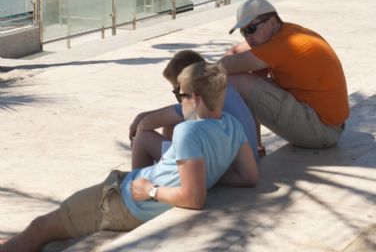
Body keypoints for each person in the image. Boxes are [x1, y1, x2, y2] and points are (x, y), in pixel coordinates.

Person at [1, 62, 257, 251]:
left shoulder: (188, 130)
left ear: (196, 99)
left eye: (180, 95)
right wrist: (207, 176)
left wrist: (150, 190)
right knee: (54, 233)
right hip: (130, 195)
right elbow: (249, 176)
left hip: (123, 201)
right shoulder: (232, 125)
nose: (179, 101)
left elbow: (194, 198)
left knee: (41, 227)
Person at [220, 0, 349, 149]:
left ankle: (244, 152)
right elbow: (235, 51)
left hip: (322, 130)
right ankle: (256, 149)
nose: (248, 37)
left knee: (236, 81)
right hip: (328, 124)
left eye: (251, 29)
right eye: (243, 33)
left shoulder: (283, 45)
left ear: (273, 22)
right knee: (252, 77)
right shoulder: (287, 33)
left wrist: (191, 77)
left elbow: (222, 67)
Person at [129, 50, 259, 166]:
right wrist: (141, 117)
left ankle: (138, 187)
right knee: (171, 125)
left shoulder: (197, 101)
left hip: (225, 168)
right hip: (247, 162)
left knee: (143, 138)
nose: (179, 97)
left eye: (178, 91)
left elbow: (146, 124)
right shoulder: (221, 91)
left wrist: (136, 141)